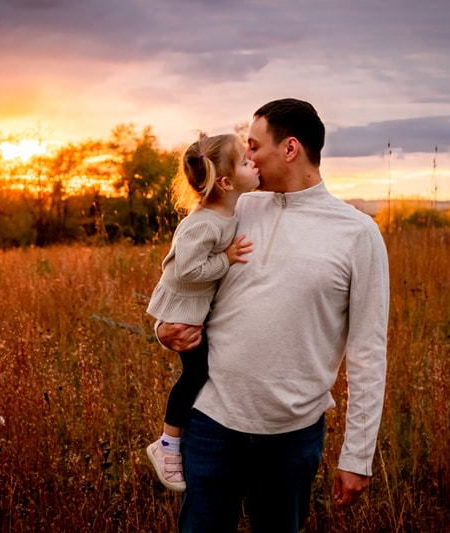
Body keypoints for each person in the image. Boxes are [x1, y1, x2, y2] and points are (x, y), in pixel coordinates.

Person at [156, 98, 390, 532]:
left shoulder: (357, 233)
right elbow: (180, 274)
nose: (247, 156)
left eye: (254, 146)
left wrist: (357, 455)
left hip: (292, 434)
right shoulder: (232, 207)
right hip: (212, 422)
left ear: (290, 149)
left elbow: (368, 351)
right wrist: (164, 329)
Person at [145, 133, 259, 492]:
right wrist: (225, 259)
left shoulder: (227, 210)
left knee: (200, 373)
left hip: (196, 309)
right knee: (196, 376)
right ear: (224, 182)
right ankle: (167, 445)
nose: (252, 162)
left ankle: (172, 442)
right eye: (244, 161)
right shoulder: (205, 223)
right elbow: (186, 271)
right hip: (184, 311)